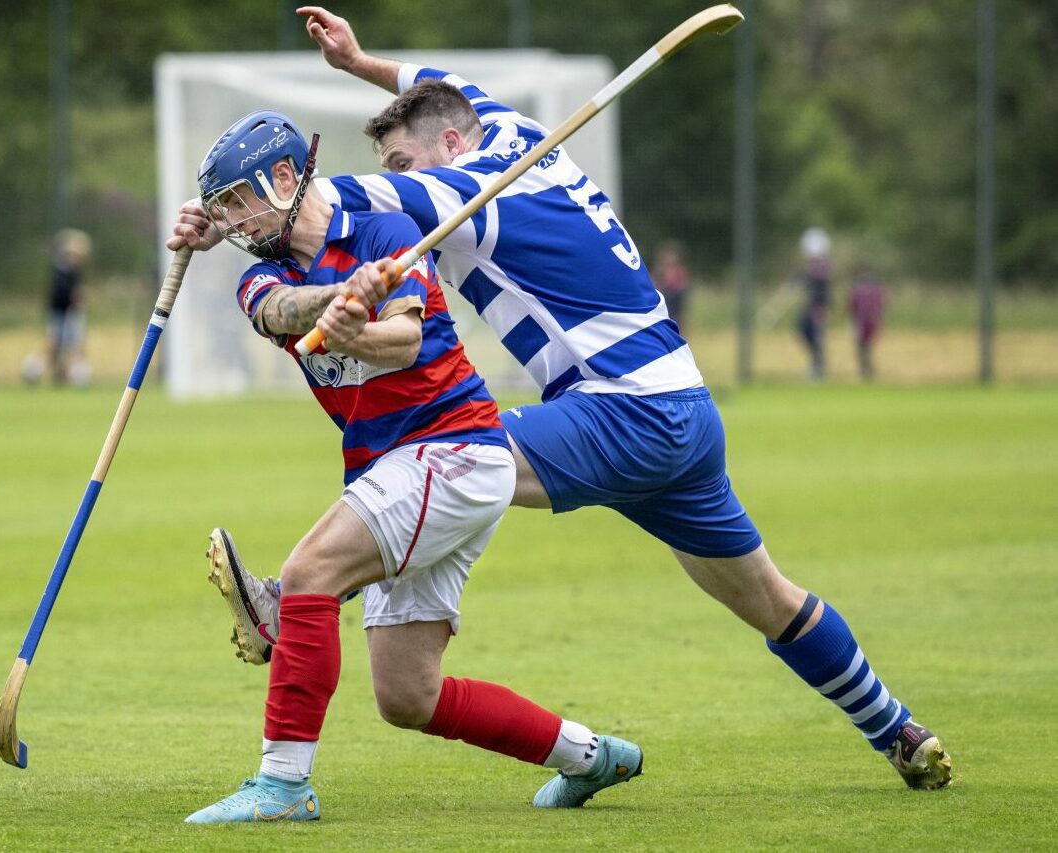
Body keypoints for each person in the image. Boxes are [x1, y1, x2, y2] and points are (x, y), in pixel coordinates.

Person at [172, 6, 951, 793]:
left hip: (619, 409)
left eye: (408, 160)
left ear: (449, 145)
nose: (407, 176)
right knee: (769, 598)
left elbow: (332, 204)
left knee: (455, 449)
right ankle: (898, 729)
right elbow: (432, 86)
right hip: (682, 406)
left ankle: (296, 600)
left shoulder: (466, 186)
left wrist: (244, 215)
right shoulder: (506, 129)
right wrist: (361, 62)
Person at [168, 110, 643, 824]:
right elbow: (280, 312)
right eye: (222, 208)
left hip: (450, 447)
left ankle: (283, 785)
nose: (233, 220)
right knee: (407, 697)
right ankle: (588, 756)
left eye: (239, 199)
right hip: (388, 467)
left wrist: (363, 319)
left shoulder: (385, 236)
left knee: (309, 575)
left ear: (287, 177)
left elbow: (403, 339)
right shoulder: (261, 278)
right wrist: (339, 300)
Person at [44, 228, 91, 385]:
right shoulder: (61, 271)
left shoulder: (75, 272)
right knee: (54, 346)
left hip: (72, 315)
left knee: (74, 346)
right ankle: (52, 373)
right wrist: (74, 297)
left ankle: (67, 375)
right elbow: (59, 294)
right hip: (60, 314)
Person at [797, 227, 832, 382]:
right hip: (810, 308)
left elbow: (824, 292)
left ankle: (819, 368)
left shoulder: (822, 271)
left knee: (818, 337)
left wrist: (822, 309)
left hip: (818, 308)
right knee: (804, 330)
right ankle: (816, 364)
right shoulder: (810, 270)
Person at [848, 268, 885, 381]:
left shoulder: (857, 291)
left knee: (861, 347)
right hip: (872, 321)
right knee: (866, 347)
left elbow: (852, 307)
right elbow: (881, 307)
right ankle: (868, 370)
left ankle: (865, 370)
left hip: (862, 322)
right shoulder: (876, 290)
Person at [654, 240, 691, 337]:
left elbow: (683, 287)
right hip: (664, 301)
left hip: (676, 302)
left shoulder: (680, 271)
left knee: (678, 325)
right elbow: (655, 285)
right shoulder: (659, 270)